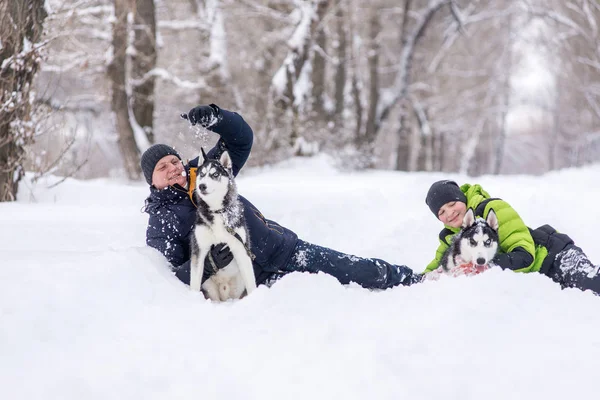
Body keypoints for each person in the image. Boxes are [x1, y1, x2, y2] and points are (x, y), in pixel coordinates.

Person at [141, 104, 421, 290]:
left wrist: (219, 118)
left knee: (353, 270)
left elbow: (240, 141)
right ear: (151, 181)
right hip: (253, 284)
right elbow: (172, 280)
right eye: (162, 167)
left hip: (284, 248)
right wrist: (210, 263)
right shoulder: (161, 221)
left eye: (174, 161)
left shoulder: (205, 172)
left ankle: (408, 279)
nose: (173, 169)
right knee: (320, 306)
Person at [423, 179, 600, 295]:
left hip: (554, 257)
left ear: (462, 199)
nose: (450, 212)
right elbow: (432, 272)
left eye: (452, 203)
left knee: (592, 285)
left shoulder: (492, 209)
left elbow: (525, 255)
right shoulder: (450, 239)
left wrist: (485, 265)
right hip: (538, 281)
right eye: (441, 212)